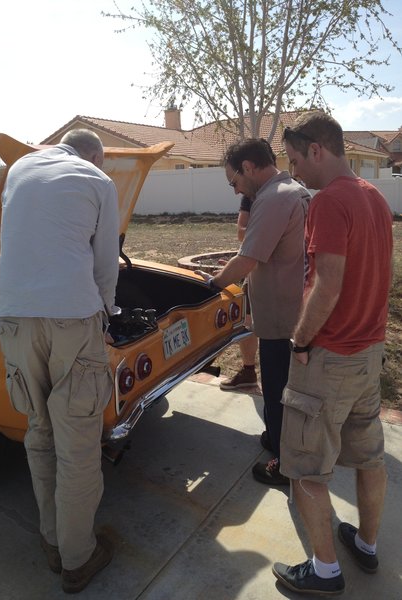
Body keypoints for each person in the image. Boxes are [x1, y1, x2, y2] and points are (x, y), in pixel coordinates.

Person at [272, 111, 393, 596]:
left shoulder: (328, 203)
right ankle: (365, 545)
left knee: (303, 466)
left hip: (329, 359)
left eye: (297, 160)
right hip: (369, 354)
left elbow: (327, 285)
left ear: (317, 150)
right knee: (369, 458)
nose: (295, 170)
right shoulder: (374, 197)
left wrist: (300, 341)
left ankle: (324, 571)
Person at [0, 129, 120, 594]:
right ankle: (78, 557)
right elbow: (105, 263)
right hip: (71, 320)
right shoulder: (96, 180)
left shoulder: (18, 170)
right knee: (78, 446)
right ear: (94, 155)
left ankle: (52, 540)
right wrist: (106, 312)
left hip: (13, 319)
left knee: (40, 431)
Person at [196, 138, 310, 485]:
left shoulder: (274, 198)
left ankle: (284, 463)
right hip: (292, 310)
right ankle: (278, 438)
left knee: (276, 389)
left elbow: (246, 259)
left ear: (248, 167)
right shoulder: (294, 190)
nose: (235, 191)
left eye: (234, 181)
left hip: (280, 318)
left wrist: (212, 285)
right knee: (284, 388)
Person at [219, 194, 260, 392]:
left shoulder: (284, 194)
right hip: (254, 269)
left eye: (235, 182)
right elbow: (241, 232)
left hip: (281, 273)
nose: (235, 190)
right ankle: (249, 371)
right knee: (247, 320)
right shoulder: (250, 196)